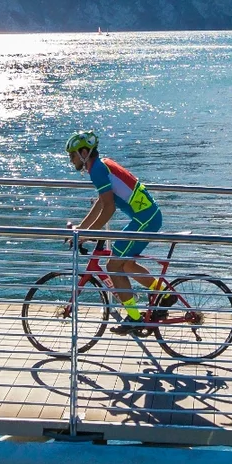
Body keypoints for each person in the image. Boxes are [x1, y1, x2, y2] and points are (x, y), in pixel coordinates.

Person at [65, 130, 173, 334]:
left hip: (145, 219)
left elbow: (109, 208)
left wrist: (87, 233)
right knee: (127, 264)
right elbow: (101, 202)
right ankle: (164, 294)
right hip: (146, 217)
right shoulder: (100, 165)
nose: (71, 160)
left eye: (72, 155)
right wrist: (82, 228)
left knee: (113, 265)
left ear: (84, 152)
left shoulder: (97, 169)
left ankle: (134, 317)